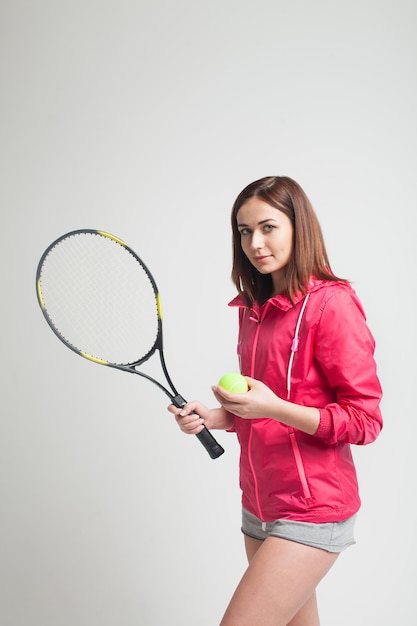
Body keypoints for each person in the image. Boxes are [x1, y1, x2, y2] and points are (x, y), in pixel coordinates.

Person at [168, 176, 383, 626]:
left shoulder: (332, 305)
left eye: (268, 227)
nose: (255, 242)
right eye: (244, 231)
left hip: (312, 508)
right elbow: (259, 405)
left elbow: (365, 421)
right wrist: (216, 416)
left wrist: (272, 408)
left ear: (297, 226)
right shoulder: (254, 310)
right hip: (259, 502)